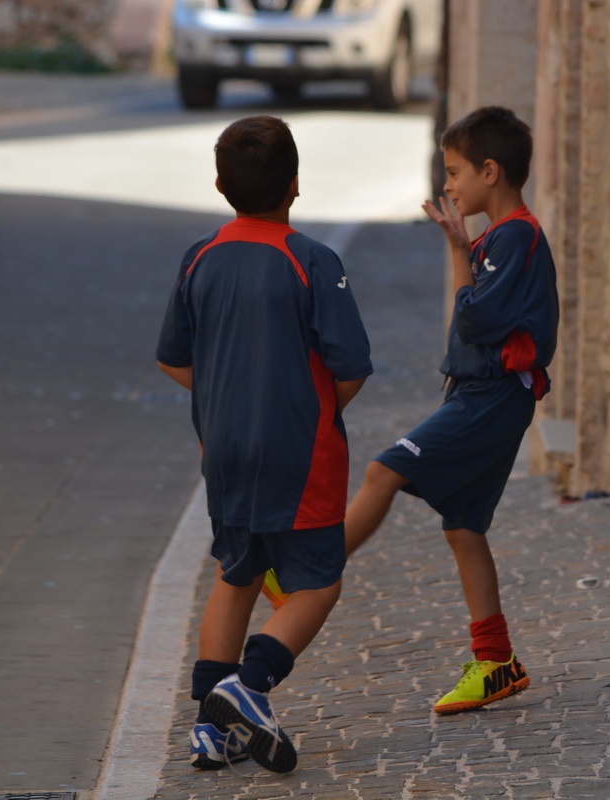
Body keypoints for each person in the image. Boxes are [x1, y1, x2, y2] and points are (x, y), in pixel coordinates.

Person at [264, 105, 558, 715]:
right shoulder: (500, 238)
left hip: (492, 396)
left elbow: (474, 318)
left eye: (454, 172)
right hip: (485, 394)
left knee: (384, 470)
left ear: (490, 171)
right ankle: (496, 661)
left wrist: (457, 252)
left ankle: (304, 575)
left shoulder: (514, 236)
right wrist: (464, 247)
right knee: (463, 527)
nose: (448, 184)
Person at [155, 115, 372, 774]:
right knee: (318, 583)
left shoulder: (199, 257)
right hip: (297, 453)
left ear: (221, 186)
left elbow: (173, 359)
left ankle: (210, 729)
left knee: (236, 575)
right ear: (295, 183)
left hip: (222, 451)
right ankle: (247, 687)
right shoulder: (313, 261)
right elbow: (351, 367)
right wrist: (306, 412)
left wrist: (225, 402)